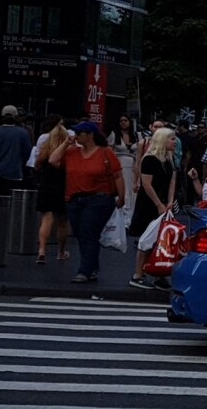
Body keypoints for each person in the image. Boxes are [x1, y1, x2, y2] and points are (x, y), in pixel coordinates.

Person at [50, 121, 125, 284]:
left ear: (90, 135)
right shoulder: (72, 152)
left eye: (79, 133)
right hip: (75, 198)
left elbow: (117, 175)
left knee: (88, 232)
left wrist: (121, 196)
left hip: (99, 198)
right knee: (84, 235)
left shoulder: (106, 153)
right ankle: (92, 267)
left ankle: (84, 270)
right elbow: (53, 160)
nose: (75, 136)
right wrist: (65, 143)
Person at [130, 127, 178, 289]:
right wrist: (159, 204)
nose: (175, 142)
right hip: (149, 204)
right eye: (172, 139)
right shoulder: (149, 159)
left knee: (160, 240)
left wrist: (170, 200)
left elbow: (172, 180)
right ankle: (138, 274)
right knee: (146, 239)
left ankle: (158, 273)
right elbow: (146, 184)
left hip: (164, 202)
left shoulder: (169, 158)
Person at [34, 117, 70, 264]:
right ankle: (61, 251)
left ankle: (42, 250)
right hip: (63, 186)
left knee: (46, 219)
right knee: (62, 221)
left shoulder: (45, 150)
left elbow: (37, 166)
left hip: (46, 186)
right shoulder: (68, 153)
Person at [0, 105, 32, 195]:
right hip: (15, 174)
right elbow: (27, 154)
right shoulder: (23, 133)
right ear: (16, 117)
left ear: (2, 117)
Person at [108, 115, 140, 225]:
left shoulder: (137, 135)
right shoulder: (114, 135)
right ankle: (120, 219)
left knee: (132, 192)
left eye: (125, 120)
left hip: (134, 166)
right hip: (119, 165)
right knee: (122, 190)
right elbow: (110, 151)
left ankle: (129, 220)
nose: (123, 123)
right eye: (121, 121)